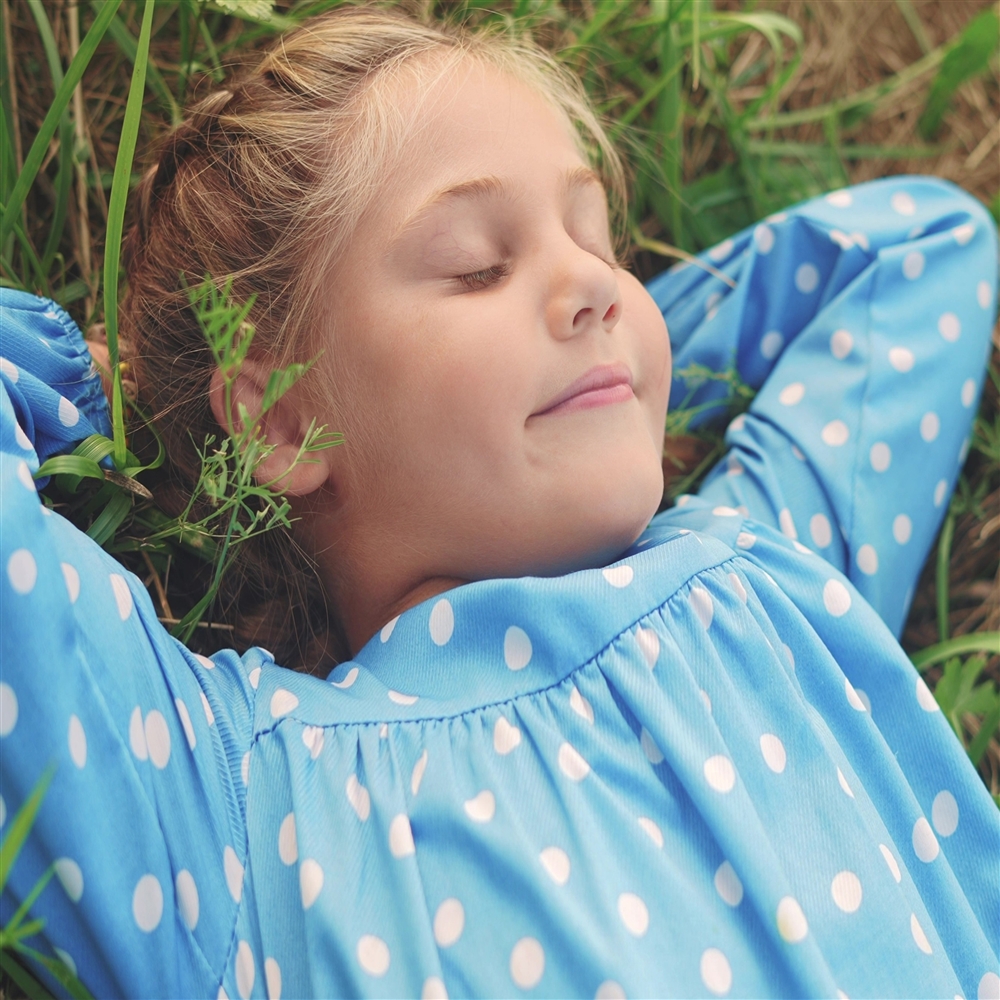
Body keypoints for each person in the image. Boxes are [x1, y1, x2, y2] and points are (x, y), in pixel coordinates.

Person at [1, 7, 997, 999]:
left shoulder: (757, 561)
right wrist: (125, 390)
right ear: (288, 422)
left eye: (598, 240)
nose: (595, 285)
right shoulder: (237, 805)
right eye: (478, 264)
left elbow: (918, 247)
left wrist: (614, 400)